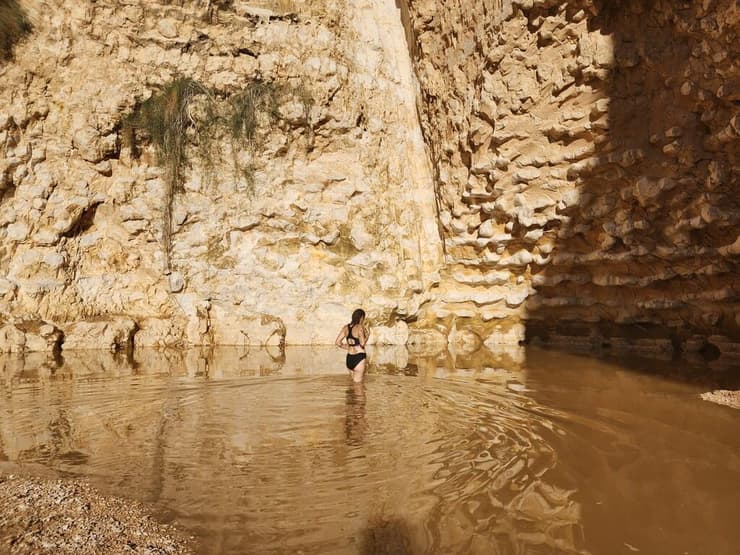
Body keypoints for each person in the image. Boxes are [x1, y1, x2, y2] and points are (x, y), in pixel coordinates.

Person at [335, 308, 369, 382]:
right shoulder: (359, 327)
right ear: (361, 318)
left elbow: (337, 342)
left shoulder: (345, 327)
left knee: (353, 384)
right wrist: (367, 336)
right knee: (358, 386)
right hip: (359, 357)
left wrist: (349, 347)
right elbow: (362, 344)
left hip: (349, 358)